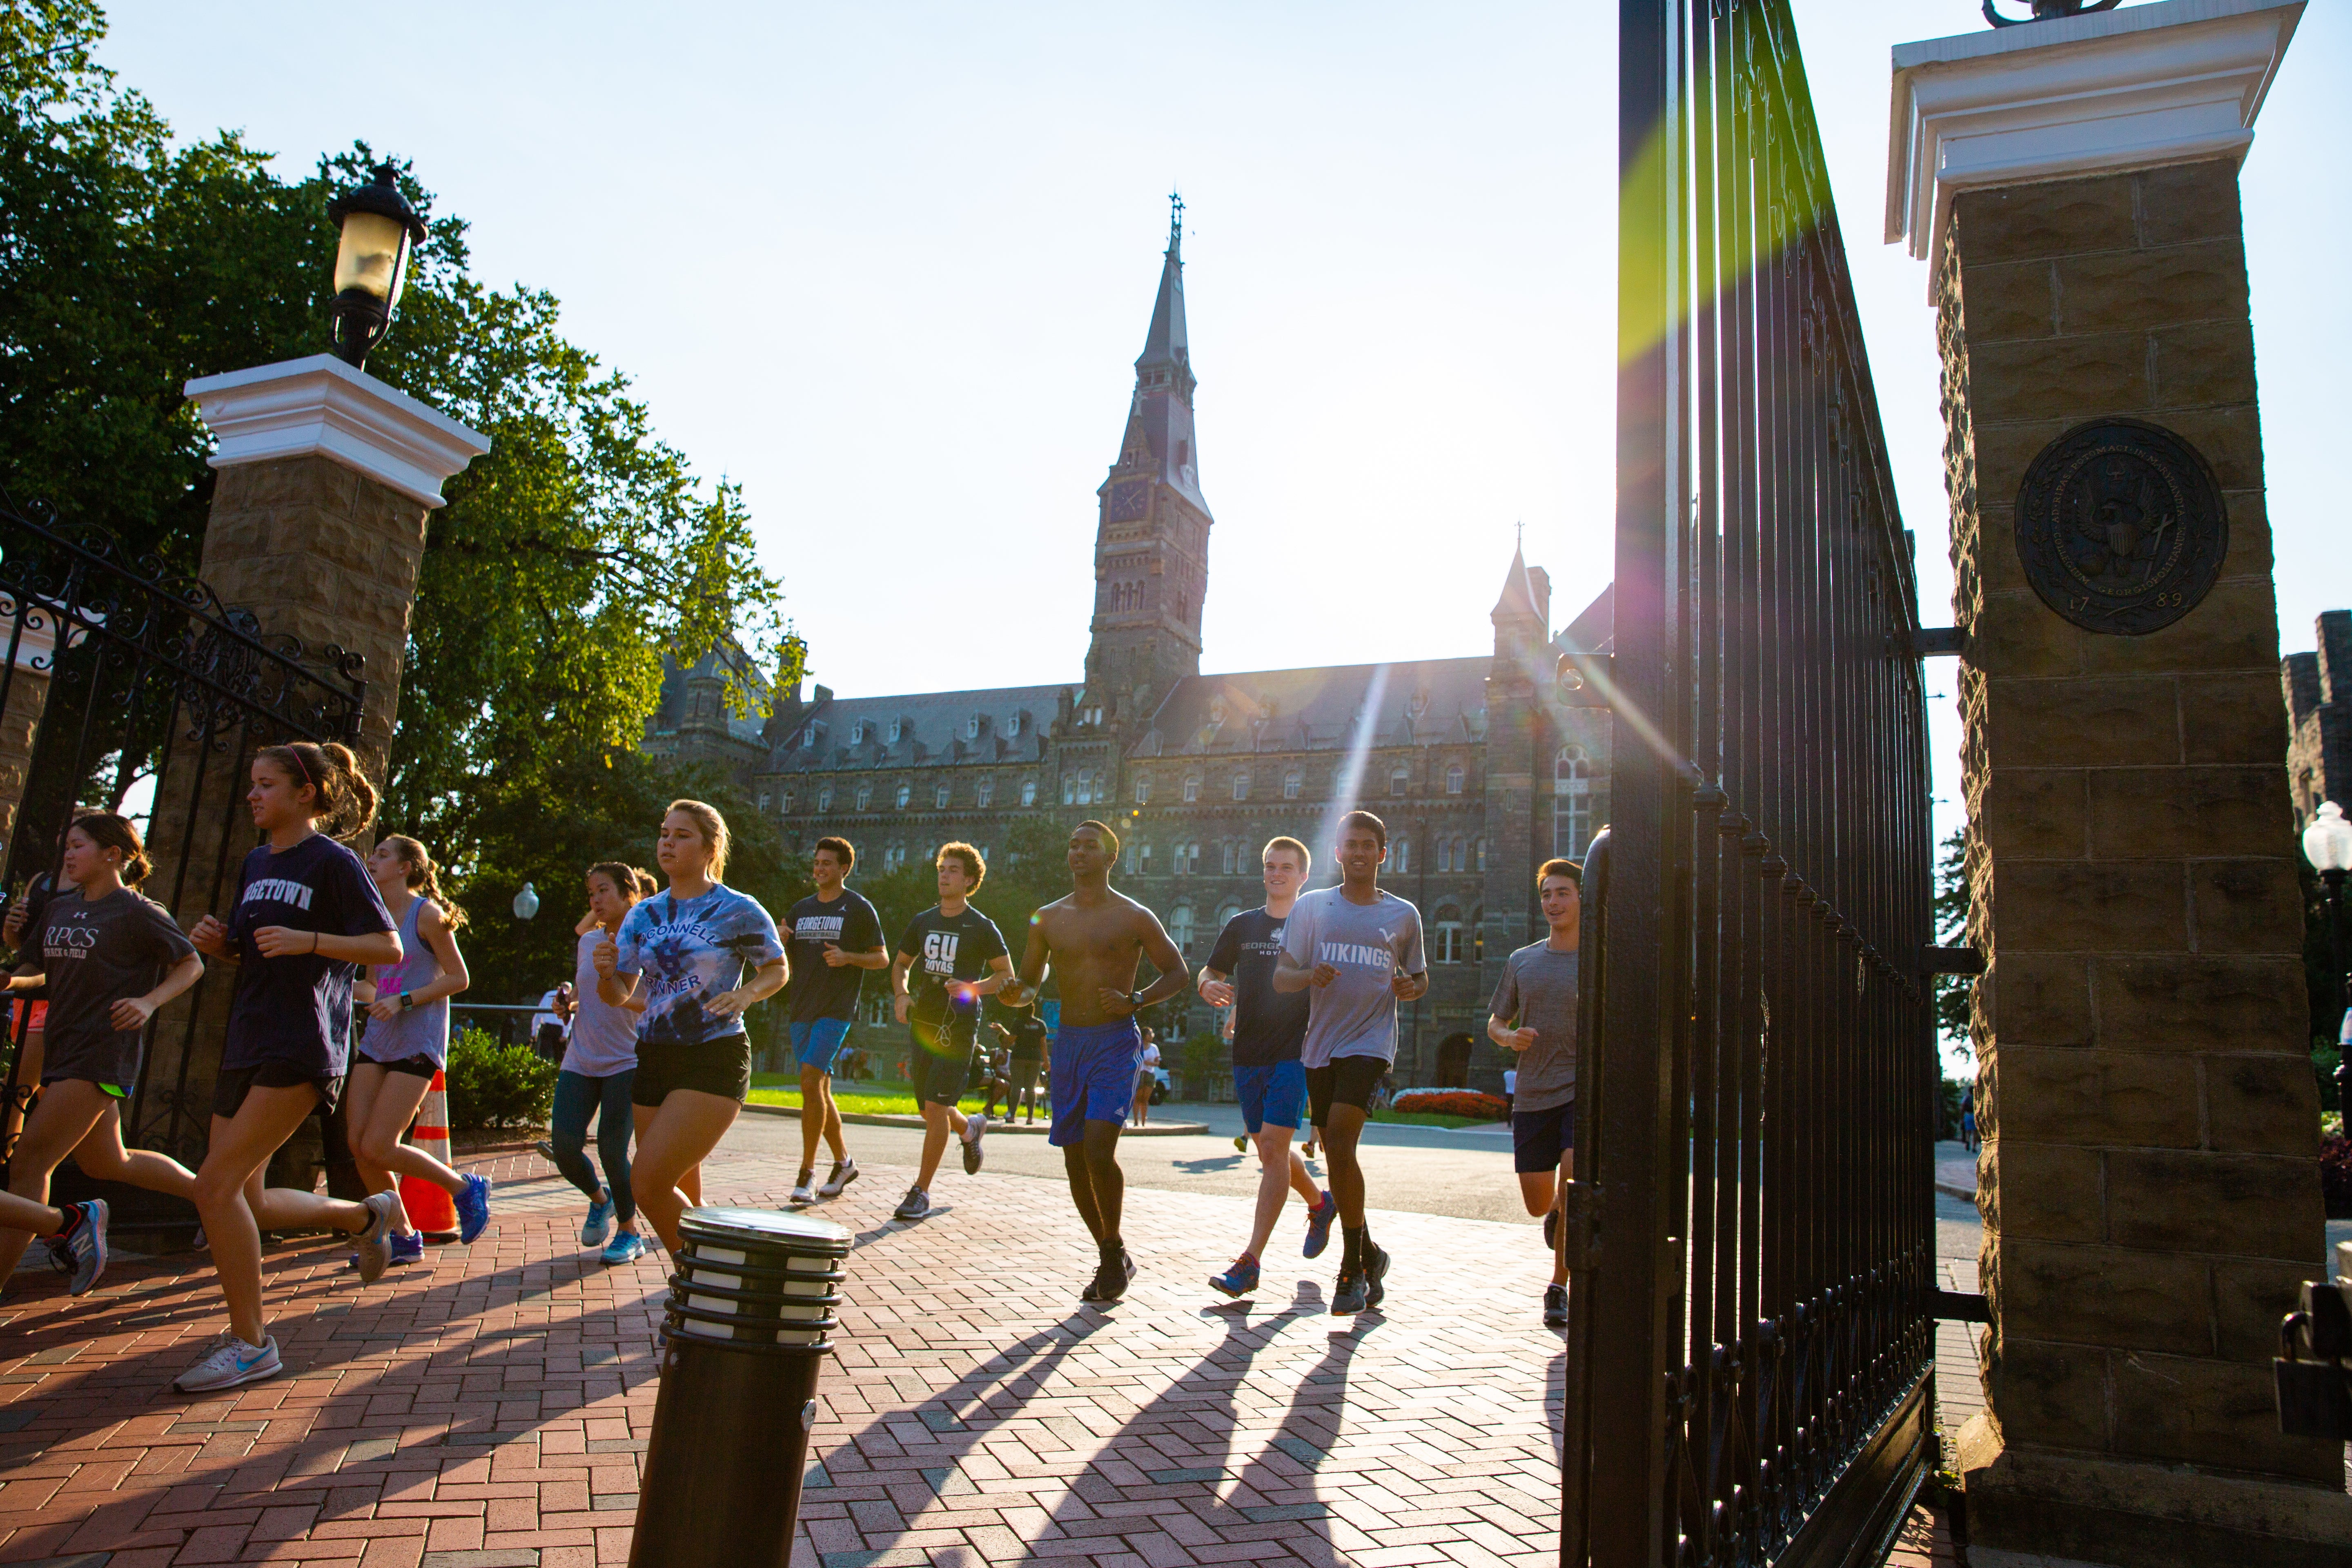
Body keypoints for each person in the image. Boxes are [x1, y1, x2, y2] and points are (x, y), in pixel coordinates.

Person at [179, 741, 409, 1393]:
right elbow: (259, 953)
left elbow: (385, 945)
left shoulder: (332, 861)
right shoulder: (256, 861)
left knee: (212, 1187)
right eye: (251, 784)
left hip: (302, 1043)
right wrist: (223, 947)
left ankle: (252, 1344)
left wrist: (310, 940)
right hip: (249, 1038)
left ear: (304, 793)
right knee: (246, 1197)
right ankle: (364, 1217)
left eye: (266, 784)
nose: (252, 795)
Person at [0, 813, 206, 1295]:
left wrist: (149, 1001)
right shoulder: (59, 908)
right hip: (62, 1046)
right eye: (66, 847)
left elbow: (190, 963)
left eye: (77, 846)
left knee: (29, 1161)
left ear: (112, 854)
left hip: (102, 1051)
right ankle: (215, 1198)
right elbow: (37, 971)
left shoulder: (136, 911)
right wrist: (12, 981)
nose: (67, 856)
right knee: (109, 1163)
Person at [594, 800, 787, 1254]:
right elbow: (619, 996)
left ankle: (718, 1266)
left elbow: (778, 969)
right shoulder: (643, 915)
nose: (668, 842)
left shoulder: (737, 908)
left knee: (647, 1183)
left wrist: (746, 995)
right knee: (678, 1190)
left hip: (714, 1054)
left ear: (709, 847)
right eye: (664, 833)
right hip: (654, 1056)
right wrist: (606, 974)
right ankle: (695, 1284)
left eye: (682, 835)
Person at [1009, 820, 1188, 1302]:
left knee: (1097, 1151)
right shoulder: (1045, 918)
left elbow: (1177, 971)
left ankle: (1111, 1258)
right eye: (1073, 844)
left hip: (1114, 1043)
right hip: (1069, 1044)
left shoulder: (1135, 916)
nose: (1079, 852)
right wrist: (1014, 993)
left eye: (1091, 846)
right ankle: (1112, 1250)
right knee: (1073, 1161)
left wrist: (1137, 999)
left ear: (1111, 857)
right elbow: (1028, 982)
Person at [1273, 810, 1426, 1315]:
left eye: (1369, 845)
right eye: (1350, 845)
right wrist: (1309, 975)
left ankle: (1350, 1270)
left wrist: (1411, 986)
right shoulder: (1313, 907)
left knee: (1340, 1138)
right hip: (1321, 1046)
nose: (1359, 852)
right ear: (1338, 853)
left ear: (1384, 854)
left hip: (1372, 1041)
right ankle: (1371, 1255)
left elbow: (1419, 978)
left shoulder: (1404, 915)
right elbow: (1282, 978)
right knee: (1338, 1158)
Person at [1198, 835, 1336, 1299]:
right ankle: (1320, 1203)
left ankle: (1251, 1260)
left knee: (1275, 1146)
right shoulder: (1242, 926)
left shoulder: (1315, 928)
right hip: (1248, 1052)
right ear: (1264, 873)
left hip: (1295, 1052)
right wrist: (1208, 988)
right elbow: (1211, 972)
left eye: (1287, 867)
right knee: (1266, 1147)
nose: (1277, 873)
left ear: (1303, 876)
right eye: (1271, 866)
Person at [346, 835, 488, 1266]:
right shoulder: (376, 916)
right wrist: (335, 988)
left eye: (384, 855)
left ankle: (464, 1188)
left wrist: (404, 1001)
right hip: (378, 1039)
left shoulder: (427, 914)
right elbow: (374, 984)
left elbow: (459, 977)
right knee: (358, 1144)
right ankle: (404, 1235)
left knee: (381, 1144)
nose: (372, 859)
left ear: (407, 867)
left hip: (418, 1042)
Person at [889, 843, 1012, 1221]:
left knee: (938, 1107)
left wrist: (973, 988)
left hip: (958, 1028)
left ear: (970, 880)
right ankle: (971, 1129)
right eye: (942, 868)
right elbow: (901, 965)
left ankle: (920, 1192)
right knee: (931, 1111)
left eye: (954, 870)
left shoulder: (981, 926)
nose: (944, 875)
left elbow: (1007, 976)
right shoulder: (923, 921)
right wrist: (901, 995)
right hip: (924, 1024)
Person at [544, 863, 657, 1264]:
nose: (595, 900)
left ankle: (630, 1232)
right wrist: (569, 1001)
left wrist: (620, 990)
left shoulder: (649, 943)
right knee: (565, 1148)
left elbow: (655, 998)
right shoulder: (589, 942)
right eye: (591, 893)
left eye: (604, 891)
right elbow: (584, 986)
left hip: (626, 1059)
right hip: (580, 1057)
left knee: (612, 1149)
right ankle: (600, 1198)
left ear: (630, 893)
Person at [1488, 857, 1581, 1328]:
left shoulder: (1601, 960)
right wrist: (1509, 1038)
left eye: (1563, 893)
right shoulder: (1522, 960)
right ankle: (1558, 1214)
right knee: (1538, 1202)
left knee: (1572, 1172)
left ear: (1582, 898)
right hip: (1534, 1092)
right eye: (1547, 894)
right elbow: (1496, 1022)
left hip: (1581, 1090)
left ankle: (1558, 1286)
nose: (1553, 902)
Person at [781, 837, 887, 1205]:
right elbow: (777, 951)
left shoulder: (858, 908)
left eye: (827, 863)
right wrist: (778, 939)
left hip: (836, 1009)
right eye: (817, 862)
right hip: (801, 1009)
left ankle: (806, 1173)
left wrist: (848, 957)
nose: (819, 869)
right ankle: (844, 1163)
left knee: (810, 1081)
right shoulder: (799, 909)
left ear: (844, 868)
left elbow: (882, 959)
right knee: (819, 1089)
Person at [990, 999, 1047, 1126]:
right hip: (1035, 1059)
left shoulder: (1019, 1023)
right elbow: (1043, 1044)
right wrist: (1046, 1061)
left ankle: (1012, 1115)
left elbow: (1011, 1040)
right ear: (1033, 1010)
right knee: (1030, 1088)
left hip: (1019, 1057)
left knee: (1016, 1086)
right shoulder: (1041, 1024)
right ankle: (1030, 1118)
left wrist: (1001, 1031)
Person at [1132, 1028, 1160, 1127]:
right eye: (1150, 1034)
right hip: (1139, 1073)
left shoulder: (1154, 1048)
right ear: (1145, 1035)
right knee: (1137, 1098)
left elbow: (1158, 1063)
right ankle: (1136, 1121)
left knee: (1145, 1099)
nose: (1152, 1035)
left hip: (1150, 1074)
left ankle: (1143, 1122)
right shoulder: (1138, 1046)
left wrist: (1150, 1063)